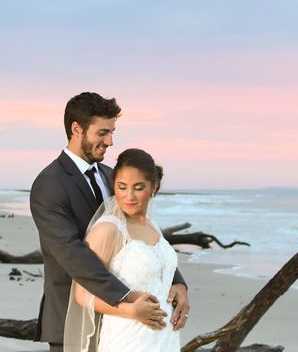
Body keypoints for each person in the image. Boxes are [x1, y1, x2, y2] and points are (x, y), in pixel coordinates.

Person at [29, 92, 189, 351]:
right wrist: (127, 299)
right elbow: (72, 253)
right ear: (77, 129)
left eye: (112, 132)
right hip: (72, 320)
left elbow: (142, 232)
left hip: (126, 325)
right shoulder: (50, 184)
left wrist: (176, 282)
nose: (110, 141)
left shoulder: (112, 176)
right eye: (103, 132)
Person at [66, 148, 182, 351]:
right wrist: (131, 311)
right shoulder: (108, 229)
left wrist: (181, 289)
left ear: (154, 187)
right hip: (128, 340)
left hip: (166, 340)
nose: (129, 196)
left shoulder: (153, 227)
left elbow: (162, 278)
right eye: (121, 187)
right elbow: (83, 295)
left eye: (138, 187)